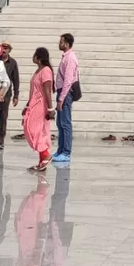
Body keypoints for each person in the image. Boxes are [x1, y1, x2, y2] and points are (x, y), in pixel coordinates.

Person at [22, 45, 54, 171]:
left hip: (40, 105)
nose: (33, 56)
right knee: (31, 128)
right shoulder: (38, 71)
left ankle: (45, 154)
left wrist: (50, 109)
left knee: (35, 130)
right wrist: (27, 105)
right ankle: (42, 160)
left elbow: (47, 90)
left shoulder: (46, 70)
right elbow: (33, 91)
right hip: (33, 104)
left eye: (35, 54)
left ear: (39, 57)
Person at [54, 32, 79, 167]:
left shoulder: (70, 58)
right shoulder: (66, 57)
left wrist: (61, 98)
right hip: (62, 92)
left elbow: (68, 80)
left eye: (61, 42)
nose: (59, 44)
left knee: (65, 123)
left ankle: (66, 152)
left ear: (67, 44)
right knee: (60, 123)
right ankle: (60, 150)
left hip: (66, 93)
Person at [0, 41, 21, 150]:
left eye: (7, 48)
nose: (4, 50)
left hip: (6, 93)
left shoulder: (13, 63)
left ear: (10, 50)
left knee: (3, 116)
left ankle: (1, 139)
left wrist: (16, 95)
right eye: (3, 47)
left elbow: (16, 80)